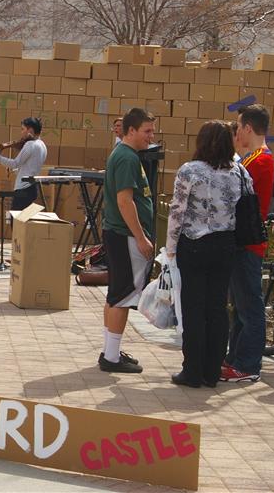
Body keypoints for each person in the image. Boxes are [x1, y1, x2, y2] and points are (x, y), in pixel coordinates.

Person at [166, 121, 243, 388]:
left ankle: (192, 370)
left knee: (194, 308)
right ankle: (213, 371)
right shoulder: (239, 172)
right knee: (218, 308)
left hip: (195, 243)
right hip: (226, 244)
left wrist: (171, 247)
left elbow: (177, 211)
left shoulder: (190, 170)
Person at [99, 108, 156, 374]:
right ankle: (111, 358)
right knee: (123, 296)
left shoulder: (127, 155)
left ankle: (110, 351)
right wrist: (141, 237)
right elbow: (125, 201)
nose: (151, 136)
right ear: (130, 131)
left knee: (116, 294)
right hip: (124, 235)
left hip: (119, 234)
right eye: (147, 131)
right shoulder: (127, 158)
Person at [224, 104, 274, 383]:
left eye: (239, 126)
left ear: (247, 128)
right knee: (241, 307)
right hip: (243, 242)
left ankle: (247, 364)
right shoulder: (254, 158)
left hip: (248, 242)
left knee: (249, 308)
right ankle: (235, 359)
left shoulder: (260, 160)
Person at [0, 117, 47, 210]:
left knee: (16, 222)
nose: (21, 132)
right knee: (23, 222)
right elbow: (30, 167)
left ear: (30, 130)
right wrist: (16, 171)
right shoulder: (42, 145)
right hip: (32, 188)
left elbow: (15, 163)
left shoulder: (30, 145)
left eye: (23, 129)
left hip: (24, 190)